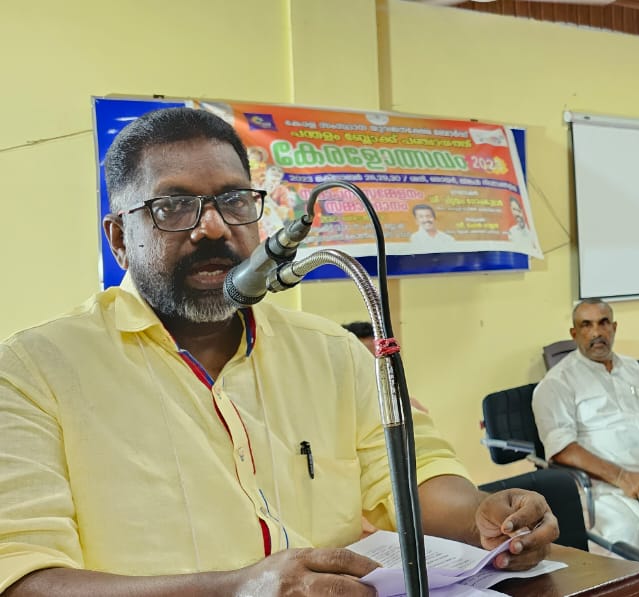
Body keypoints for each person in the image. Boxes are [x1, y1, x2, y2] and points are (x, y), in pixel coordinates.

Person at [0, 108, 556, 595]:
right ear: (120, 238)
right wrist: (235, 590)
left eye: (234, 200)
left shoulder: (331, 352)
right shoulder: (33, 371)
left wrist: (482, 517)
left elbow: (417, 478)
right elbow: (23, 577)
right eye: (174, 206)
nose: (212, 227)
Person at [531, 298, 639, 554]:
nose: (596, 332)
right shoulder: (556, 384)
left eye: (603, 323)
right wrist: (622, 477)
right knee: (631, 536)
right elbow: (562, 450)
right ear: (574, 333)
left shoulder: (632, 367)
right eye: (586, 325)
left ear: (614, 328)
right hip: (607, 488)